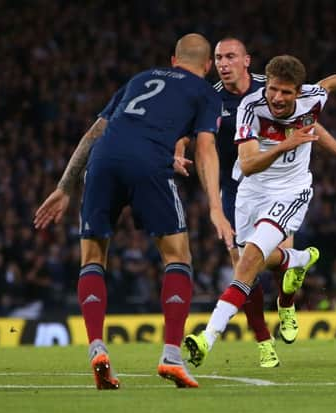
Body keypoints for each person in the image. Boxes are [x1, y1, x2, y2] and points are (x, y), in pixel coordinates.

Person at [34, 33, 234, 389]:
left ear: (173, 59)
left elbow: (94, 132)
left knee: (92, 257)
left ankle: (97, 348)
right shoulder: (205, 92)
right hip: (148, 164)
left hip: (103, 160)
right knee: (178, 257)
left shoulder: (140, 78)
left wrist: (64, 187)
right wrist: (216, 207)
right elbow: (205, 149)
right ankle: (171, 356)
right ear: (206, 66)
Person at [178, 37, 336, 368]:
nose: (277, 98)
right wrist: (285, 143)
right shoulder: (247, 105)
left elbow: (327, 86)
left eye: (286, 93)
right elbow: (247, 164)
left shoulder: (308, 96)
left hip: (290, 192)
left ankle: (208, 338)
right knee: (255, 263)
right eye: (274, 91)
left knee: (247, 264)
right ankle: (298, 259)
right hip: (245, 188)